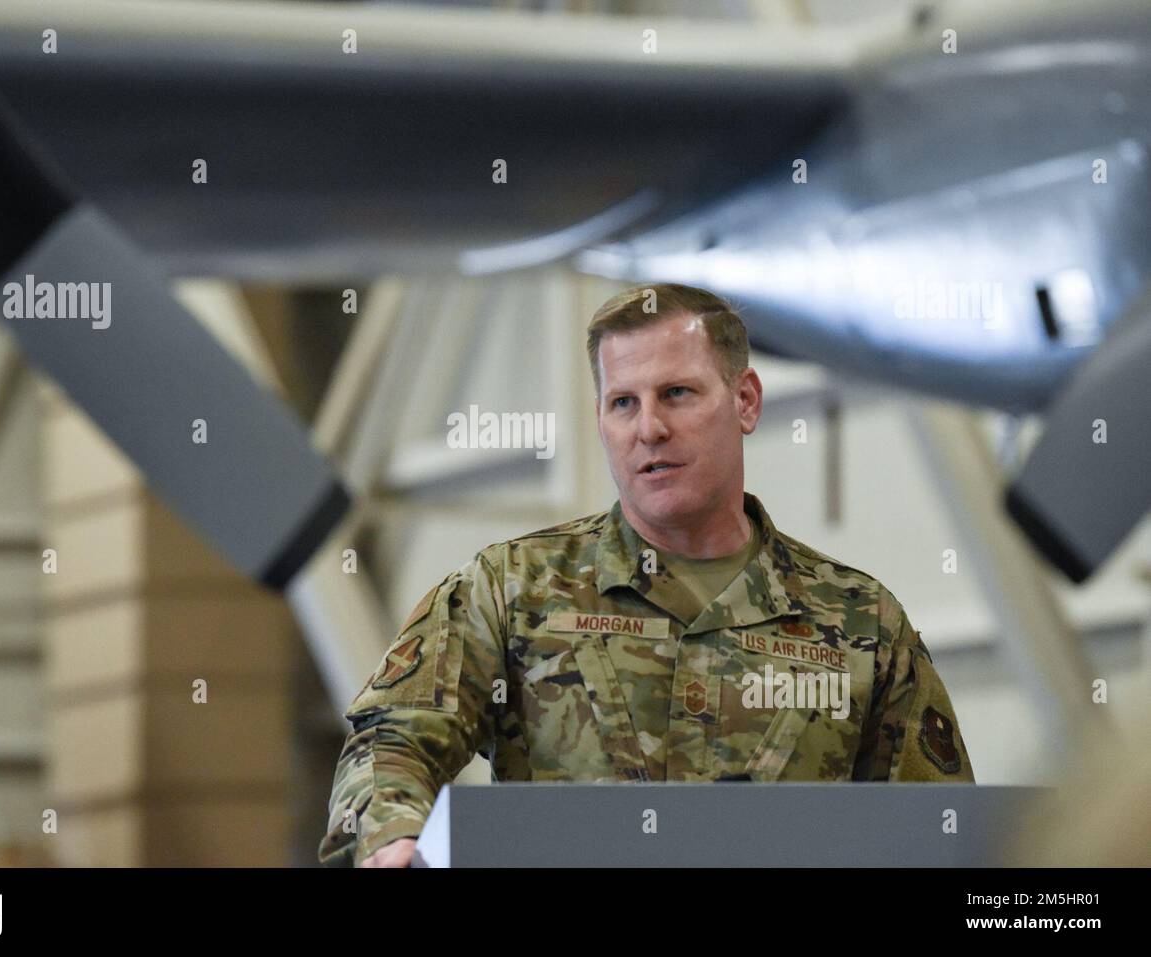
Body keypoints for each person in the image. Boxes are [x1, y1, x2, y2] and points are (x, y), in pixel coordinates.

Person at [319, 282, 974, 868]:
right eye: (622, 403)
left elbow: (944, 829)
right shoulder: (513, 590)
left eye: (677, 394)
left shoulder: (858, 620)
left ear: (745, 400)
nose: (649, 428)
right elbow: (392, 735)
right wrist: (391, 836)